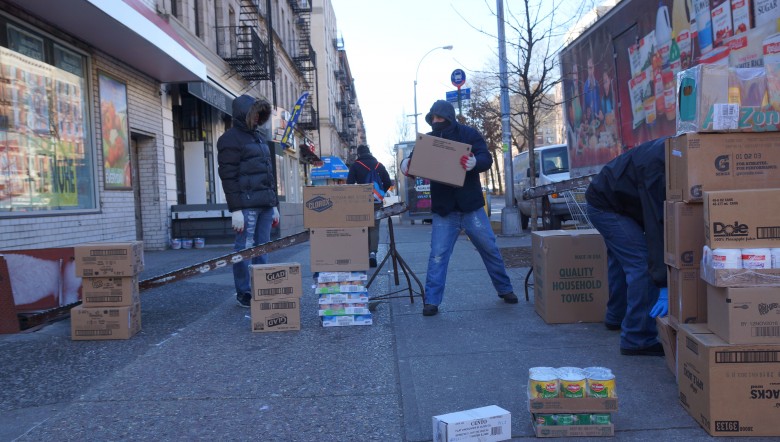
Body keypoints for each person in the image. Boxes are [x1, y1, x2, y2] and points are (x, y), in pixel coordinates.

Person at [400, 100, 517, 317]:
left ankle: (505, 289)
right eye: (433, 118)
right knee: (437, 255)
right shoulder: (429, 141)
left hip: (470, 206)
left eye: (439, 118)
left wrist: (475, 162)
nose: (436, 122)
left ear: (449, 117)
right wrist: (406, 162)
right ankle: (432, 302)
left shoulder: (468, 134)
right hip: (444, 210)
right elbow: (412, 163)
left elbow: (486, 157)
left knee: (489, 248)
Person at [584, 137, 668, 356]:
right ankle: (637, 338)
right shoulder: (659, 167)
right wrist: (662, 281)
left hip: (609, 200)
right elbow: (655, 224)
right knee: (641, 266)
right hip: (607, 206)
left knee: (622, 262)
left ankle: (616, 316)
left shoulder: (668, 149)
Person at [217, 95, 280, 308]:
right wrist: (235, 210)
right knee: (244, 248)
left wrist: (274, 205)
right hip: (246, 205)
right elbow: (228, 177)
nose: (257, 119)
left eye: (260, 116)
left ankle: (261, 287)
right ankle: (244, 291)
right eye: (255, 115)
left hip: (264, 204)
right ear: (245, 115)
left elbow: (268, 174)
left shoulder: (259, 138)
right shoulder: (229, 140)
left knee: (262, 247)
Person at [346, 144, 392, 267]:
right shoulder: (379, 165)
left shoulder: (356, 165)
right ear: (369, 152)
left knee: (363, 226)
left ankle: (363, 254)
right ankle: (373, 253)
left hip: (361, 202)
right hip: (376, 202)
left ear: (359, 154)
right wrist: (380, 193)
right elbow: (388, 182)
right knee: (375, 227)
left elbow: (349, 184)